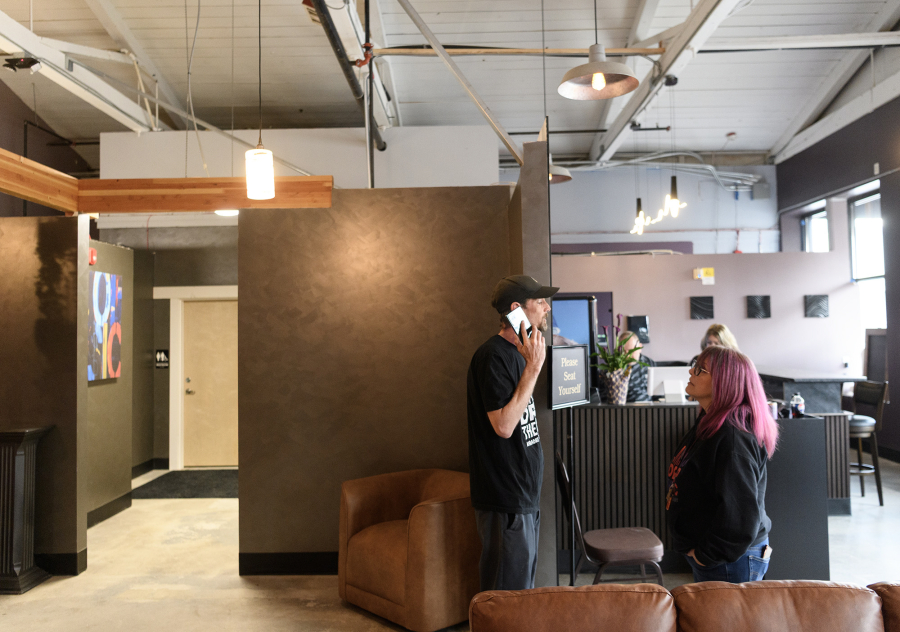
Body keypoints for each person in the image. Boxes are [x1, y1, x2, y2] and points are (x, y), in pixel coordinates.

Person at [466, 274, 557, 591]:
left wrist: (529, 365)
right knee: (505, 600)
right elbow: (504, 426)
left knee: (521, 595)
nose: (546, 307)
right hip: (504, 498)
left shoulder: (519, 354)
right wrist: (532, 370)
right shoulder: (493, 356)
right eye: (540, 301)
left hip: (523, 497)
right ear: (517, 308)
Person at [665, 345, 779, 583]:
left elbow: (740, 518)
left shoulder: (733, 438)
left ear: (724, 382)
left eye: (700, 370)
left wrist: (705, 556)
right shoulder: (709, 421)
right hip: (718, 559)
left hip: (728, 562)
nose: (691, 374)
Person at [596, 331, 654, 403]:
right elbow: (603, 395)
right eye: (624, 351)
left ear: (640, 347)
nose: (627, 355)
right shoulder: (612, 366)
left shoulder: (649, 363)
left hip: (647, 406)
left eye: (631, 351)